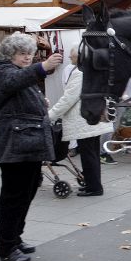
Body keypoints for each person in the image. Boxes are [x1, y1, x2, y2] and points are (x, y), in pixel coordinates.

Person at [0, 32, 63, 261]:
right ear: (10, 54)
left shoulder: (14, 71)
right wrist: (43, 66)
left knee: (27, 192)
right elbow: (14, 82)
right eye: (23, 54)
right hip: (14, 144)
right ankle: (6, 246)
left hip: (25, 143)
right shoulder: (2, 71)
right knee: (14, 197)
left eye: (30, 54)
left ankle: (15, 238)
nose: (28, 58)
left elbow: (18, 90)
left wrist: (39, 103)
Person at [49, 47, 114, 196]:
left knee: (88, 155)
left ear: (79, 57)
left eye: (72, 56)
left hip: (84, 120)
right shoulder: (95, 71)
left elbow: (68, 99)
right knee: (92, 154)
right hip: (93, 119)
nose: (69, 59)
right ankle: (93, 184)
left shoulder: (80, 73)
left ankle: (94, 188)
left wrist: (50, 115)